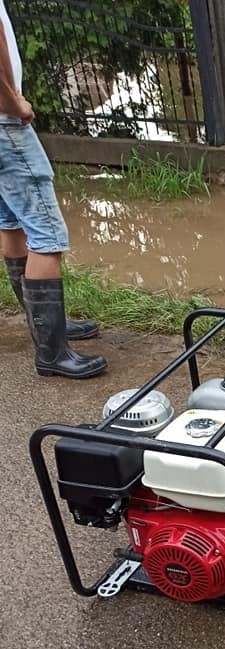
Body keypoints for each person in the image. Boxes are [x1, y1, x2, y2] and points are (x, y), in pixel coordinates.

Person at [0, 0, 106, 378]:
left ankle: (46, 330)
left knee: (11, 221)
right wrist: (13, 102)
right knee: (46, 232)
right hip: (4, 123)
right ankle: (52, 352)